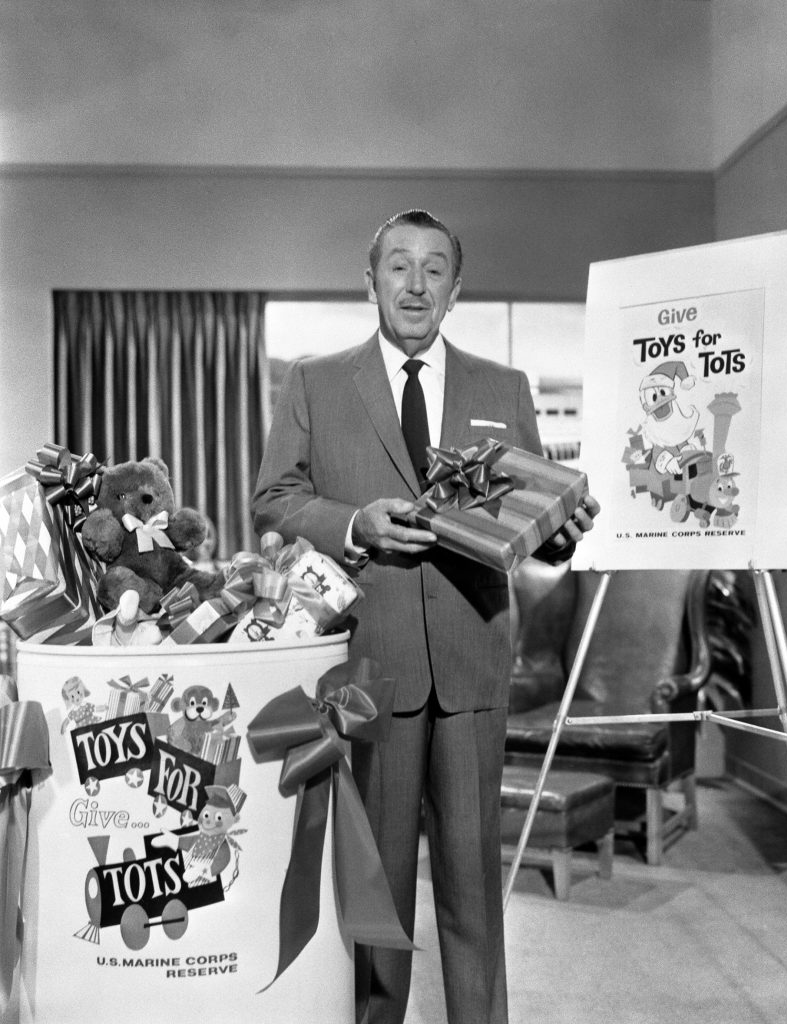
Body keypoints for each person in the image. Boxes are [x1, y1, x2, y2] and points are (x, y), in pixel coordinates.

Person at [252, 209, 599, 1024]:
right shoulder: (314, 381)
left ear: (455, 288)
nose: (415, 283)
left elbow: (528, 525)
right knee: (377, 889)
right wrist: (354, 524)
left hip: (473, 659)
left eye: (434, 268)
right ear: (369, 281)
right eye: (399, 266)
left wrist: (561, 531)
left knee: (474, 883)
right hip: (371, 667)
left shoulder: (503, 387)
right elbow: (273, 502)